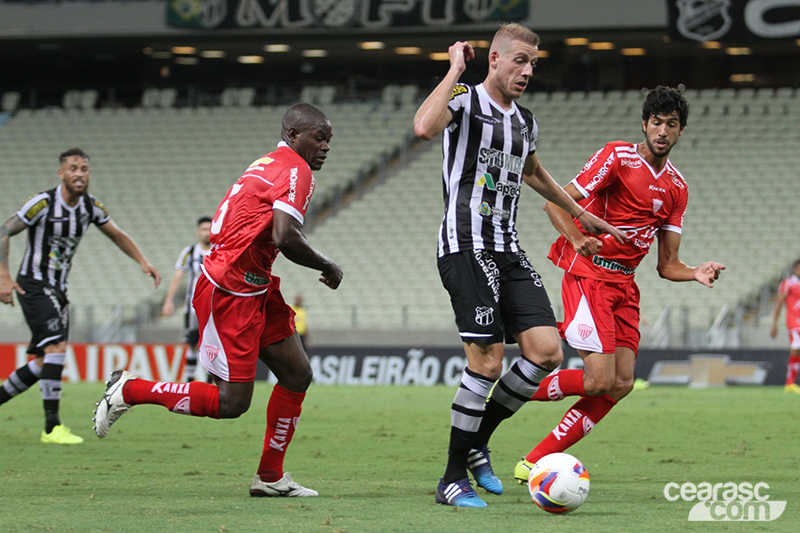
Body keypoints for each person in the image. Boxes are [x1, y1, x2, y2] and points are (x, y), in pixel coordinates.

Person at [413, 23, 625, 507]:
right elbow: (424, 127)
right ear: (494, 59)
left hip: (507, 247)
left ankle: (476, 442)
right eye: (520, 60)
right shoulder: (464, 99)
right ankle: (452, 478)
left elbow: (532, 172)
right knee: (487, 362)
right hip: (466, 244)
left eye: (533, 63)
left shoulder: (525, 121)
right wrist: (454, 68)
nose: (528, 71)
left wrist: (580, 213)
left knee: (547, 352)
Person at [93, 103, 342, 498]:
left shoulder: (267, 162)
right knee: (231, 403)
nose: (326, 146)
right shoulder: (297, 170)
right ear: (294, 135)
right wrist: (328, 265)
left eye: (329, 139)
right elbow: (285, 236)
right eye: (320, 137)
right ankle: (131, 389)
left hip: (254, 284)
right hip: (231, 290)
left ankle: (270, 477)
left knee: (297, 374)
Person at [512, 86, 726, 482]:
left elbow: (667, 265)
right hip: (589, 274)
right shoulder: (617, 157)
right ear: (644, 124)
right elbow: (554, 202)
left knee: (621, 383)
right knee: (598, 380)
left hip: (624, 285)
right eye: (657, 122)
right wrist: (578, 239)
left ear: (681, 131)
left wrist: (695, 271)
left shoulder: (677, 187)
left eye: (672, 124)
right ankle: (509, 389)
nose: (663, 131)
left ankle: (533, 460)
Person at [0, 147, 161, 444]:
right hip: (34, 283)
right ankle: (52, 427)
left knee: (44, 361)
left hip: (58, 289)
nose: (79, 174)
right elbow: (4, 231)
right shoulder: (42, 203)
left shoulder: (91, 207)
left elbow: (117, 234)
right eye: (73, 168)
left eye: (84, 169)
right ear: (61, 173)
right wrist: (3, 276)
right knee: (57, 349)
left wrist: (142, 261)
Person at [161, 216, 213, 382]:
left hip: (214, 307)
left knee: (212, 343)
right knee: (192, 342)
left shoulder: (219, 250)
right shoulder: (189, 252)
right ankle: (189, 381)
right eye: (204, 229)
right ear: (198, 232)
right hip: (192, 307)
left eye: (209, 229)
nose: (207, 233)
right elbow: (178, 276)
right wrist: (169, 300)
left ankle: (209, 382)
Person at [769, 259, 800, 394]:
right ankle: (789, 383)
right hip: (795, 322)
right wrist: (774, 324)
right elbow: (779, 304)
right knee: (796, 349)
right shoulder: (788, 283)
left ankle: (790, 383)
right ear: (794, 269)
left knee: (797, 351)